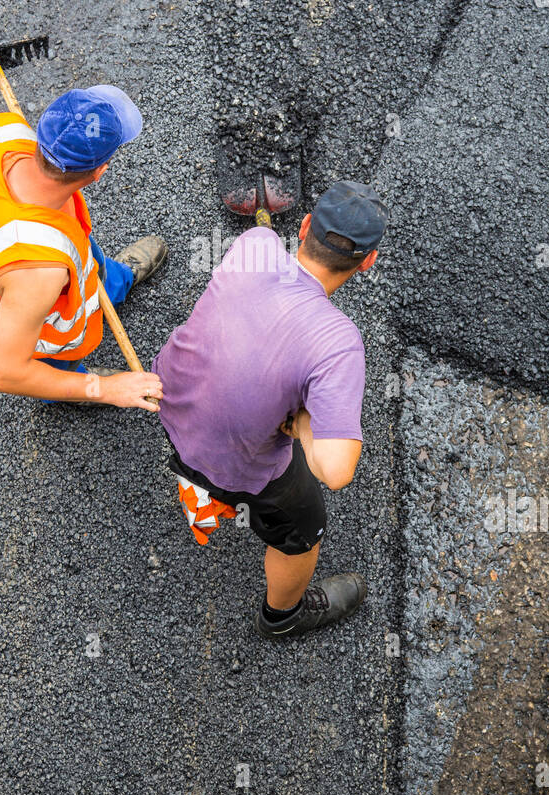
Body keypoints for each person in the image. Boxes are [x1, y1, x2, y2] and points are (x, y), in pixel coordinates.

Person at [153, 181, 387, 639]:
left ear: (303, 228)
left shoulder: (256, 243)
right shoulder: (338, 342)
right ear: (368, 261)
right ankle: (283, 617)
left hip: (166, 399)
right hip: (235, 461)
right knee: (303, 530)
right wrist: (300, 422)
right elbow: (337, 471)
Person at [0, 84, 166, 408]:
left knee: (92, 266)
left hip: (67, 241)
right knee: (56, 365)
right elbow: (4, 373)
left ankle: (116, 282)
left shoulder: (2, 131)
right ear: (100, 171)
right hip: (42, 318)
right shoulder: (39, 275)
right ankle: (76, 383)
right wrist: (107, 389)